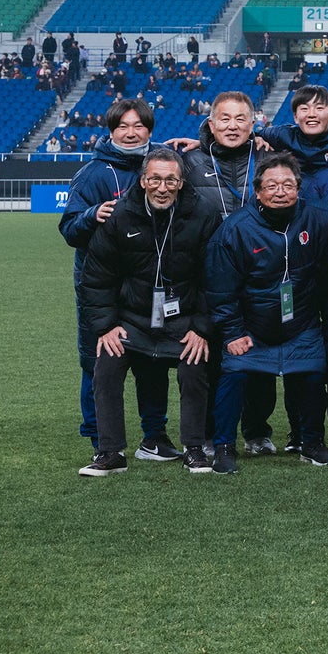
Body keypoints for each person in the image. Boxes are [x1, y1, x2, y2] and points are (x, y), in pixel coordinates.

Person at [78, 148, 220, 475]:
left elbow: (215, 278)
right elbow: (97, 277)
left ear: (181, 183)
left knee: (195, 364)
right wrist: (106, 326)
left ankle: (195, 449)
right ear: (143, 181)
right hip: (132, 320)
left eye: (171, 180)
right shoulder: (119, 215)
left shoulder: (204, 214)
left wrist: (201, 328)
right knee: (107, 364)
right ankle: (110, 452)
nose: (162, 188)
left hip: (184, 318)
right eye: (155, 179)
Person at [204, 156, 328, 474]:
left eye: (287, 185)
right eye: (271, 185)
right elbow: (220, 290)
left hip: (301, 324)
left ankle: (312, 443)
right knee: (234, 375)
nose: (280, 191)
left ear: (298, 188)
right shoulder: (234, 230)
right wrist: (233, 333)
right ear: (257, 191)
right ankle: (224, 447)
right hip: (250, 328)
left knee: (313, 375)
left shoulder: (315, 215)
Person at [60, 97, 166, 452]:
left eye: (138, 126)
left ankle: (154, 438)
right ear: (111, 131)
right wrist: (91, 215)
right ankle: (101, 441)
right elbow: (69, 230)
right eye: (123, 126)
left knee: (152, 360)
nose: (131, 133)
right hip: (101, 287)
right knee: (97, 361)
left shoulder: (164, 164)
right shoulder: (92, 173)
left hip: (151, 284)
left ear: (149, 130)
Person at [180, 90, 262, 225]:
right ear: (211, 125)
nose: (232, 126)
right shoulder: (191, 162)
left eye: (240, 119)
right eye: (225, 119)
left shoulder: (269, 160)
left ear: (251, 125)